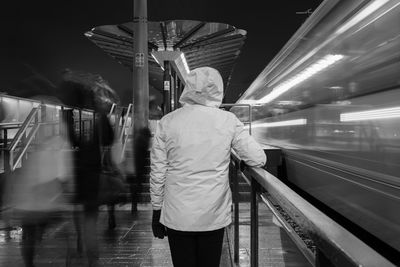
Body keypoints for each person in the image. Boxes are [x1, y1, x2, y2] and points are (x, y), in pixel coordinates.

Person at [150, 67, 266, 267]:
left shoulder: (168, 121)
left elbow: (158, 171)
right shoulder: (228, 120)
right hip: (213, 214)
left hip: (178, 214)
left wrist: (156, 211)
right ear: (217, 90)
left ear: (188, 89)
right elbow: (258, 158)